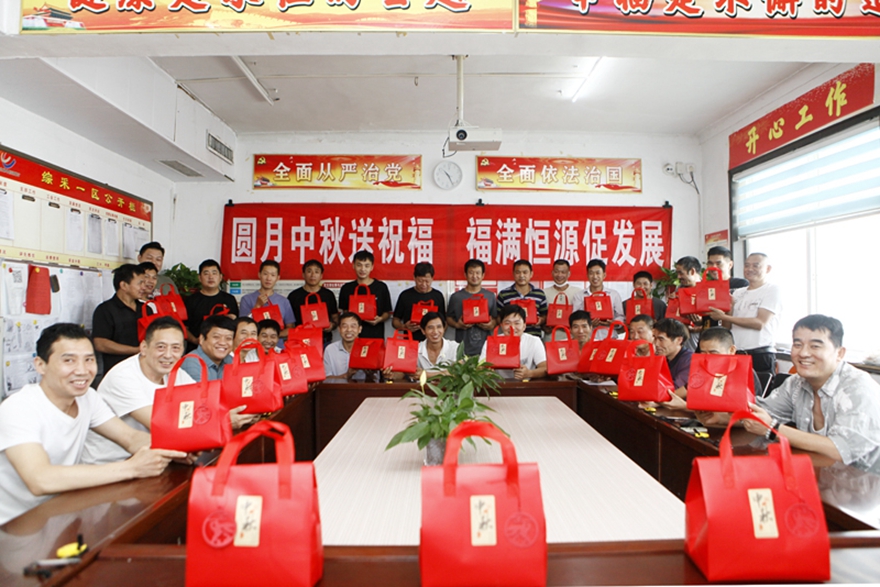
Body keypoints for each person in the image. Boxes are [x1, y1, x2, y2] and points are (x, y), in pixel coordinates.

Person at [0, 323, 185, 525]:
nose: (82, 370)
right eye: (69, 360)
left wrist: (178, 449)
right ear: (40, 365)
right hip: (12, 525)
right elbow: (40, 479)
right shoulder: (19, 408)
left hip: (60, 511)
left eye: (88, 359)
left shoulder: (87, 397)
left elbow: (130, 438)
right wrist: (132, 468)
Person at [81, 318, 256, 465]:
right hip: (112, 463)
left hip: (155, 456)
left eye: (176, 348)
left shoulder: (176, 373)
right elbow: (161, 425)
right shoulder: (123, 377)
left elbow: (205, 406)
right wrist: (222, 420)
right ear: (144, 347)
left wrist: (236, 413)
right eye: (161, 347)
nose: (168, 355)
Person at [746, 316, 880, 474]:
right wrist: (727, 415)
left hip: (866, 483)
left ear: (840, 353)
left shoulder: (858, 389)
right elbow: (759, 414)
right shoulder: (796, 382)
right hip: (820, 475)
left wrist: (773, 429)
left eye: (815, 346)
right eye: (797, 345)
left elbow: (840, 450)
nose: (803, 353)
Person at [707, 252, 781, 377]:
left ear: (768, 269)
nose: (750, 269)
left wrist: (724, 316)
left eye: (756, 265)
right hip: (736, 354)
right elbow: (727, 327)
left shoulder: (772, 290)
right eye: (747, 265)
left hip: (759, 354)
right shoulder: (737, 293)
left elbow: (759, 323)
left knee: (759, 389)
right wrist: (727, 311)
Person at [92, 263, 146, 376]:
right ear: (124, 285)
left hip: (144, 369)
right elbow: (100, 344)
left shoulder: (146, 309)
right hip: (117, 371)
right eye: (140, 283)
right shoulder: (105, 310)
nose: (143, 287)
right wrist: (136, 350)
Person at [480, 305, 547, 381]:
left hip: (525, 384)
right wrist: (485, 371)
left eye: (517, 323)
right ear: (501, 325)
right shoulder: (490, 342)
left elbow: (544, 368)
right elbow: (480, 367)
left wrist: (529, 373)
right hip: (498, 385)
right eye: (507, 323)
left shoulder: (534, 341)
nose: (512, 327)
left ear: (524, 326)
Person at [446, 259, 498, 357]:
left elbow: (495, 318)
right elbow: (448, 318)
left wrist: (491, 325)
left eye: (478, 273)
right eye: (471, 273)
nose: (474, 276)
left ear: (483, 275)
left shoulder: (490, 296)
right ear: (465, 275)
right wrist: (457, 325)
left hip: (485, 348)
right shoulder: (456, 297)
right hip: (462, 347)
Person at [183, 259, 239, 348]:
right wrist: (196, 341)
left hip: (222, 347)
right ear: (199, 278)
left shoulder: (229, 299)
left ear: (220, 277)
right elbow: (184, 327)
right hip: (196, 348)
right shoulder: (191, 300)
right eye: (206, 273)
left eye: (214, 273)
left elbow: (236, 326)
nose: (210, 277)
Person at [338, 250, 393, 340]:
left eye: (366, 266)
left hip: (375, 335)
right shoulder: (346, 288)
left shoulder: (381, 287)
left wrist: (379, 319)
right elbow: (345, 312)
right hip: (352, 336)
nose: (362, 269)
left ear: (372, 267)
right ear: (353, 265)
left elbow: (387, 312)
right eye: (359, 265)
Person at [287, 259, 339, 347]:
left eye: (316, 272)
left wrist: (332, 325)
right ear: (303, 274)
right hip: (301, 342)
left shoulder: (328, 295)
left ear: (321, 275)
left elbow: (335, 318)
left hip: (324, 341)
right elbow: (290, 323)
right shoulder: (294, 296)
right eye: (309, 271)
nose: (313, 275)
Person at [392, 262, 447, 342]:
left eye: (427, 281)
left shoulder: (438, 296)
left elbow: (444, 323)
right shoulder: (405, 295)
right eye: (420, 281)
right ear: (414, 278)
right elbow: (395, 320)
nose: (424, 284)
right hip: (410, 341)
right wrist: (404, 326)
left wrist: (437, 333)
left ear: (432, 278)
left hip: (432, 343)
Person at [496, 259, 547, 338]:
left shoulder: (539, 294)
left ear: (531, 274)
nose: (521, 275)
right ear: (513, 274)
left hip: (534, 337)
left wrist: (541, 320)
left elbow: (545, 315)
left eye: (525, 272)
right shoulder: (504, 294)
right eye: (518, 272)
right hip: (511, 337)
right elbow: (498, 317)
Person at [323, 312, 378, 381]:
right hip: (338, 388)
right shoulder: (330, 349)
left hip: (363, 387)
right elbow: (325, 379)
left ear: (360, 329)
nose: (349, 330)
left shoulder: (369, 349)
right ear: (339, 329)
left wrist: (369, 374)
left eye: (353, 326)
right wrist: (347, 375)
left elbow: (376, 380)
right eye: (344, 326)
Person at [180, 315, 235, 381]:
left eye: (228, 338)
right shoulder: (191, 363)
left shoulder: (230, 360)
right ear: (202, 339)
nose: (222, 343)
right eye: (216, 337)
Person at [573, 259, 624, 328]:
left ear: (604, 275)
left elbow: (621, 316)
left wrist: (614, 323)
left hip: (608, 333)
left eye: (598, 273)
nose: (595, 276)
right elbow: (575, 319)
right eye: (591, 273)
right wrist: (588, 324)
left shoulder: (614, 294)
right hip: (588, 334)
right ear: (587, 275)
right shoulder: (579, 296)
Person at [652, 318, 693, 400]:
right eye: (655, 338)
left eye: (661, 339)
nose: (656, 344)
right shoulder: (663, 357)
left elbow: (674, 390)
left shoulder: (689, 361)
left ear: (679, 340)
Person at [544, 259, 583, 340]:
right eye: (556, 272)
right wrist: (543, 326)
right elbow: (541, 315)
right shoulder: (544, 292)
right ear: (552, 273)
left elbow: (582, 317)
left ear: (568, 274)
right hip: (550, 339)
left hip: (571, 339)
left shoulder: (578, 292)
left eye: (563, 272)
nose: (559, 275)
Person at [673, 255, 703, 351]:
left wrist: (700, 325)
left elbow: (718, 321)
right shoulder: (679, 289)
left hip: (700, 340)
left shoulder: (707, 290)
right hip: (681, 339)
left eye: (681, 273)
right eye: (677, 273)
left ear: (692, 271)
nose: (678, 277)